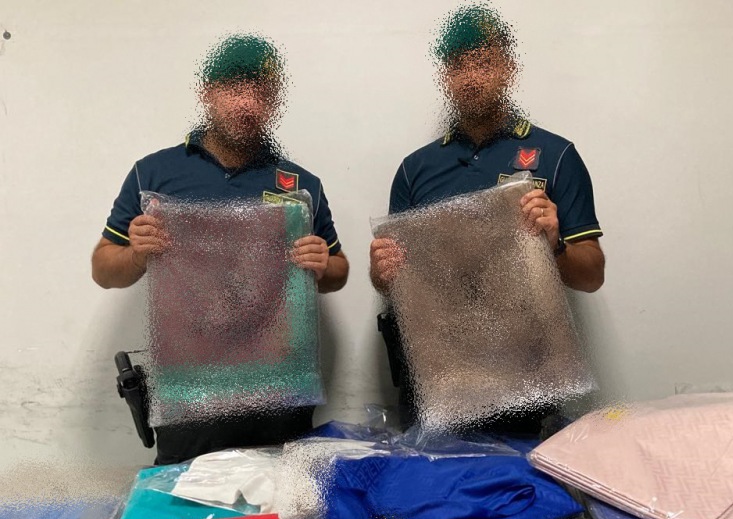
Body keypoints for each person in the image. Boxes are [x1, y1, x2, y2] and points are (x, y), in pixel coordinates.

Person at [92, 34, 349, 464]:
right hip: (187, 390)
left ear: (273, 101)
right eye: (233, 88)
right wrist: (136, 254)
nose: (246, 103)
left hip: (278, 386)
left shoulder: (301, 184)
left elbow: (337, 272)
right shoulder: (153, 173)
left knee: (280, 500)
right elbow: (103, 269)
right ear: (207, 92)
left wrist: (323, 264)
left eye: (259, 92)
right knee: (187, 498)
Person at [370, 6, 604, 434]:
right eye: (459, 66)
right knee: (430, 477)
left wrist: (555, 243)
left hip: (528, 383)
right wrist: (381, 272)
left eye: (484, 62)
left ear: (508, 68)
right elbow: (394, 284)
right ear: (446, 77)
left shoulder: (556, 155)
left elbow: (591, 276)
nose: (471, 77)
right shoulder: (415, 168)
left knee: (521, 476)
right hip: (440, 383)